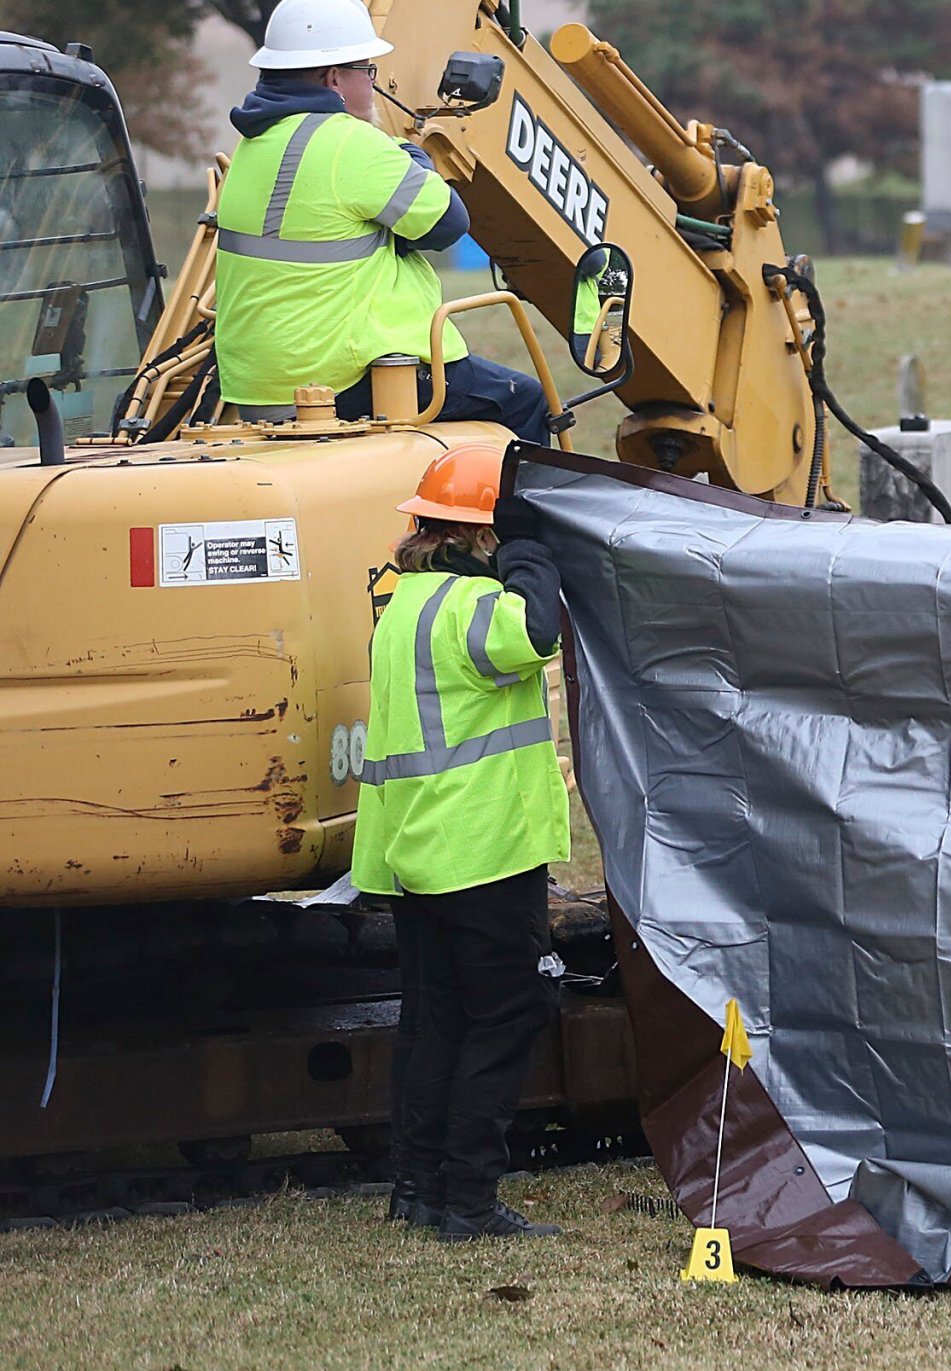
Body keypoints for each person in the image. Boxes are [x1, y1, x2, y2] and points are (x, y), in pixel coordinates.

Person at [353, 443, 570, 1241]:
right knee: (513, 1010)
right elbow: (538, 632)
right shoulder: (473, 608)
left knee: (435, 1020)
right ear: (482, 538)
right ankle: (470, 1200)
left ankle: (418, 1189)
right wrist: (533, 550)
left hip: (418, 851)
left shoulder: (403, 605)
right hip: (481, 850)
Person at [215, 0, 547, 443]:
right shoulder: (351, 144)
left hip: (259, 383)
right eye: (367, 70)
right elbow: (448, 223)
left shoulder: (252, 148)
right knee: (524, 401)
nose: (372, 84)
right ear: (334, 78)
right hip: (342, 377)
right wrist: (415, 158)